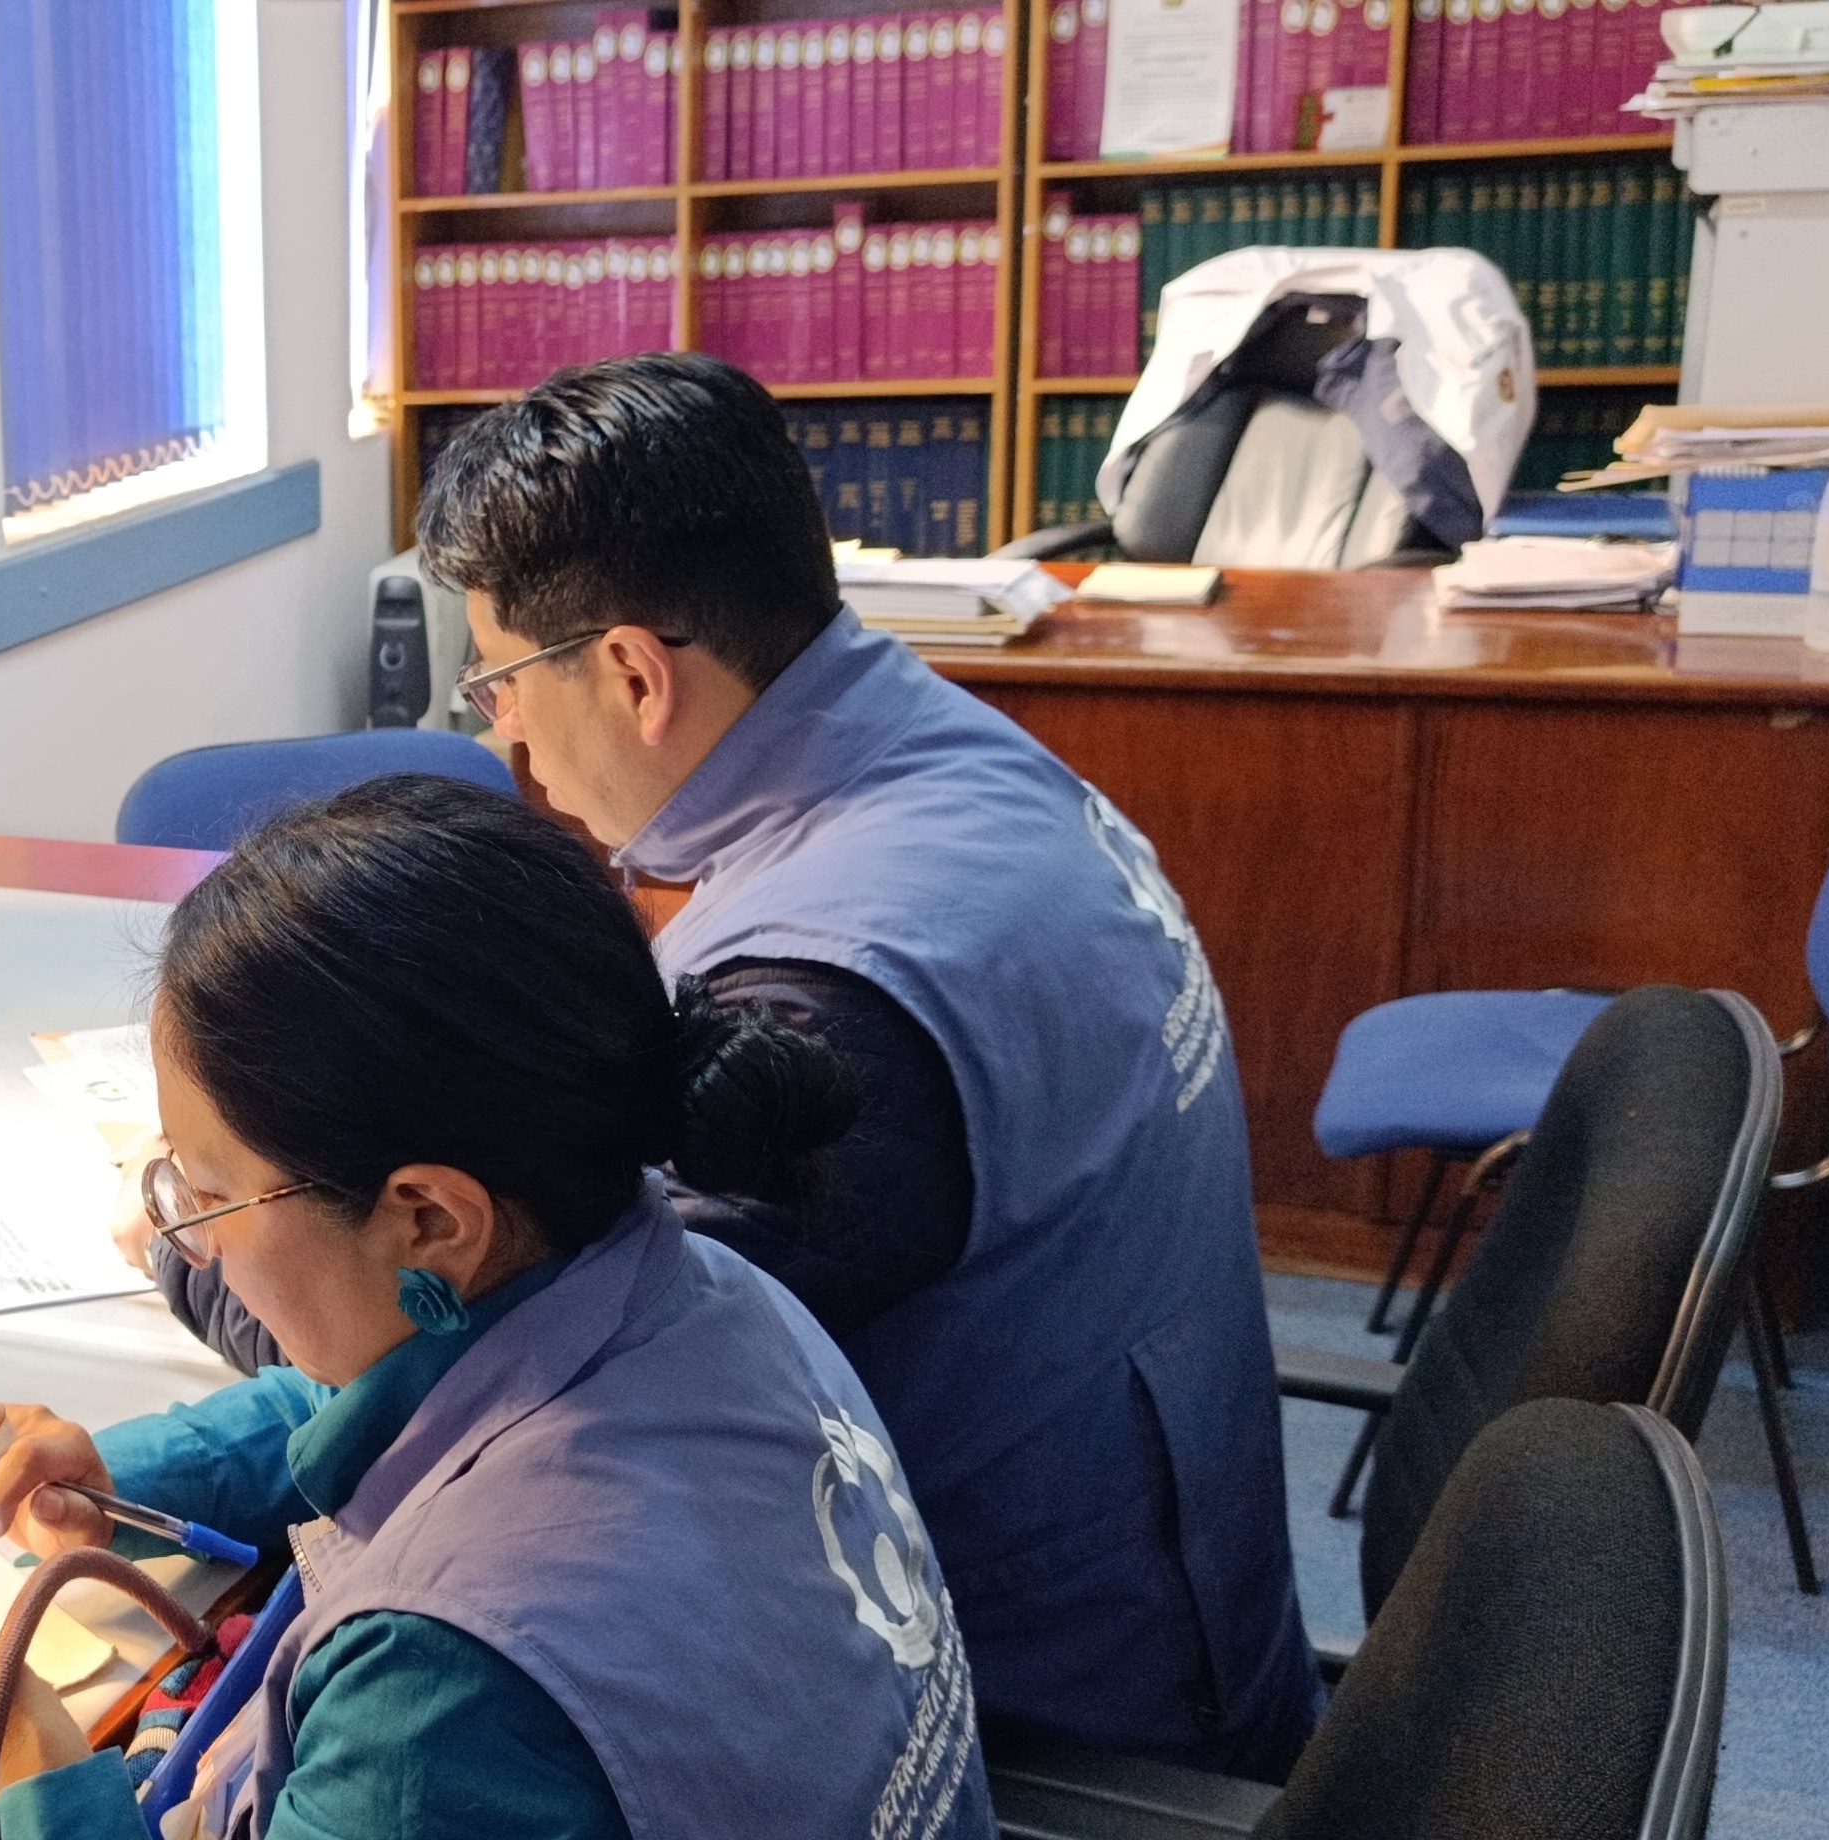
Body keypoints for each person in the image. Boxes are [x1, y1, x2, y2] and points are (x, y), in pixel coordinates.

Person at [153, 353, 1321, 1780]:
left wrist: (196, 1235)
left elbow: (495, 1351)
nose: (499, 730)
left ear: (636, 672)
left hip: (1032, 1724)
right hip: (1150, 1569)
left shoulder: (831, 1002)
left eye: (501, 682)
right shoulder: (946, 754)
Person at [0, 776, 993, 1840]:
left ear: (429, 1219)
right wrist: (114, 1467)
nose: (187, 1235)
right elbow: (404, 1395)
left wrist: (27, 1736)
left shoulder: (441, 1692)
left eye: (201, 1197)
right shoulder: (711, 1296)